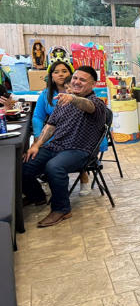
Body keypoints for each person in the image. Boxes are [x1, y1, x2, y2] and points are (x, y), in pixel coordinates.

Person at [22, 66, 107, 228]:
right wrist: (37, 145)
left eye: (83, 80)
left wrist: (73, 99)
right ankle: (37, 197)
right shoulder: (63, 101)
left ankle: (62, 209)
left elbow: (88, 106)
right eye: (75, 78)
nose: (77, 82)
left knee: (54, 167)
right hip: (56, 145)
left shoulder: (97, 103)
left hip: (80, 150)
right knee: (24, 165)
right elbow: (51, 126)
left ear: (93, 84)